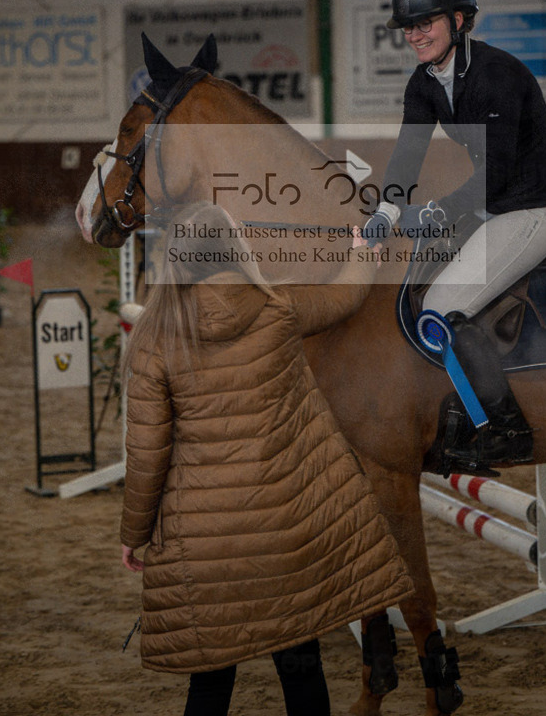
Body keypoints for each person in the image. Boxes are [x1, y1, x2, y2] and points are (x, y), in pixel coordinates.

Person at [119, 202, 413, 716]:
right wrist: (366, 245)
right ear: (233, 250)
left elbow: (146, 454)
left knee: (208, 687)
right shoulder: (277, 308)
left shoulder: (153, 338)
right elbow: (347, 295)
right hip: (284, 531)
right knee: (302, 669)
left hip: (205, 542)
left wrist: (134, 534)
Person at [363, 0, 546, 469]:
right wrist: (388, 208)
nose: (416, 35)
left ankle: (505, 427)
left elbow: (496, 175)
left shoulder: (496, 75)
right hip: (493, 206)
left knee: (441, 306)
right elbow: (407, 154)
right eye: (409, 27)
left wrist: (436, 213)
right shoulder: (425, 82)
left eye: (426, 23)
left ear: (459, 21)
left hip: (534, 207)